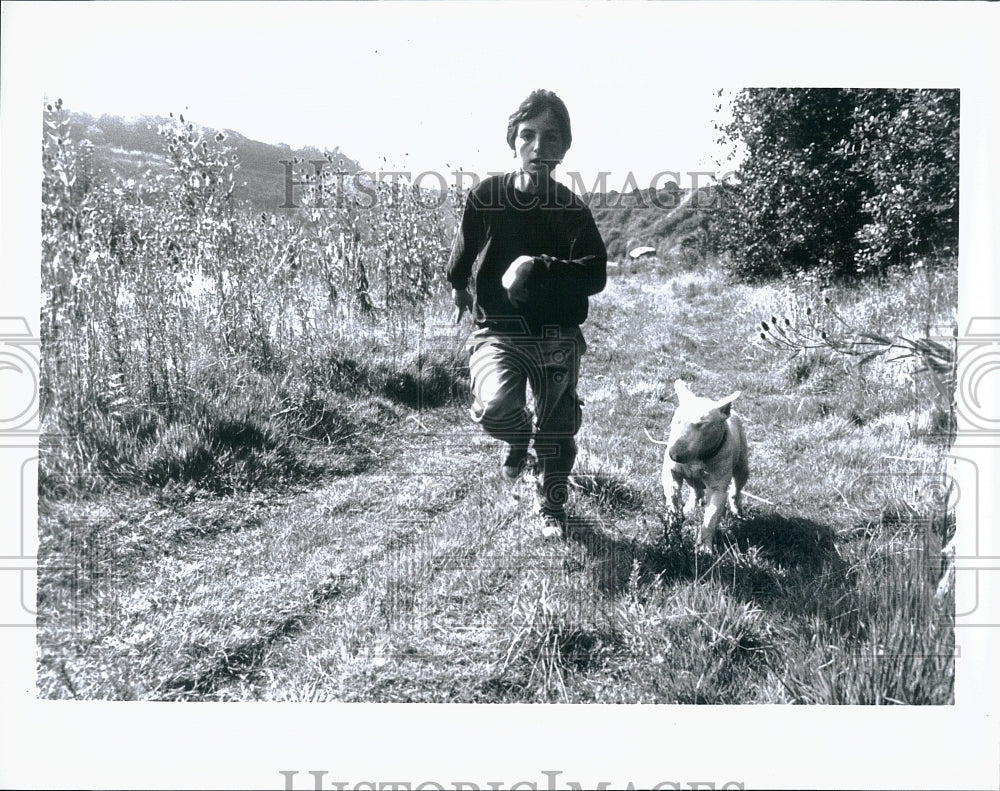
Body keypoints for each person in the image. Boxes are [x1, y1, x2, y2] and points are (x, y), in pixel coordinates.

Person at [447, 89, 608, 539]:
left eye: (551, 138)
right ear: (513, 141)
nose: (539, 147)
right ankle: (518, 441)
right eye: (528, 135)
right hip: (498, 329)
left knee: (557, 429)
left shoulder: (571, 209)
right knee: (497, 407)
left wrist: (538, 267)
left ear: (564, 148)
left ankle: (551, 507)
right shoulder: (487, 196)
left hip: (557, 332)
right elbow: (465, 247)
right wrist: (459, 286)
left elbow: (595, 274)